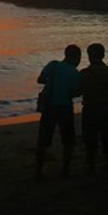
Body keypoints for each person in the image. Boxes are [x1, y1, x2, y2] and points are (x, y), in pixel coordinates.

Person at [35, 44, 83, 178]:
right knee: (68, 140)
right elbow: (76, 92)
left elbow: (40, 79)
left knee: (43, 140)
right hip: (65, 107)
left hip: (49, 106)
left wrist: (53, 82)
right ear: (77, 57)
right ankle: (65, 170)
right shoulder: (75, 73)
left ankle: (38, 171)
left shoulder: (53, 65)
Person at [78, 43, 108, 173]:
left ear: (89, 56)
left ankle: (91, 166)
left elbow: (78, 91)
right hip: (107, 107)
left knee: (90, 139)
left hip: (90, 108)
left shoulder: (83, 74)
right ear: (103, 55)